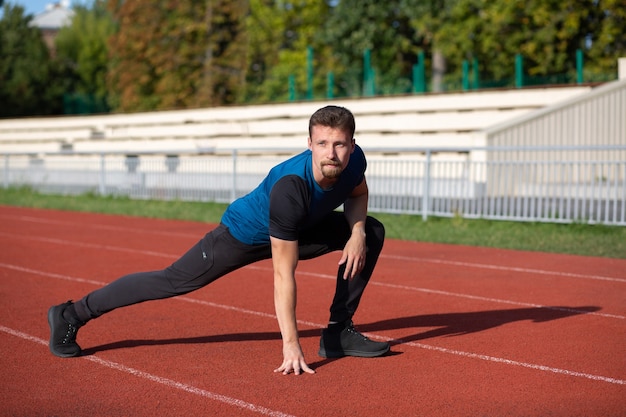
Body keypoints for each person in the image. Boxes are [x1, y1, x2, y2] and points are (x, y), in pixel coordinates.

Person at [48, 105, 389, 375]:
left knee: (372, 231)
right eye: (322, 144)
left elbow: (357, 193)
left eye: (340, 144)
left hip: (301, 228)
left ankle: (337, 332)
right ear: (310, 145)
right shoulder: (291, 187)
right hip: (243, 234)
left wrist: (356, 232)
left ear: (352, 145)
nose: (332, 153)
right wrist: (291, 344)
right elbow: (284, 274)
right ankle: (73, 314)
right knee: (173, 280)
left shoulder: (355, 161)